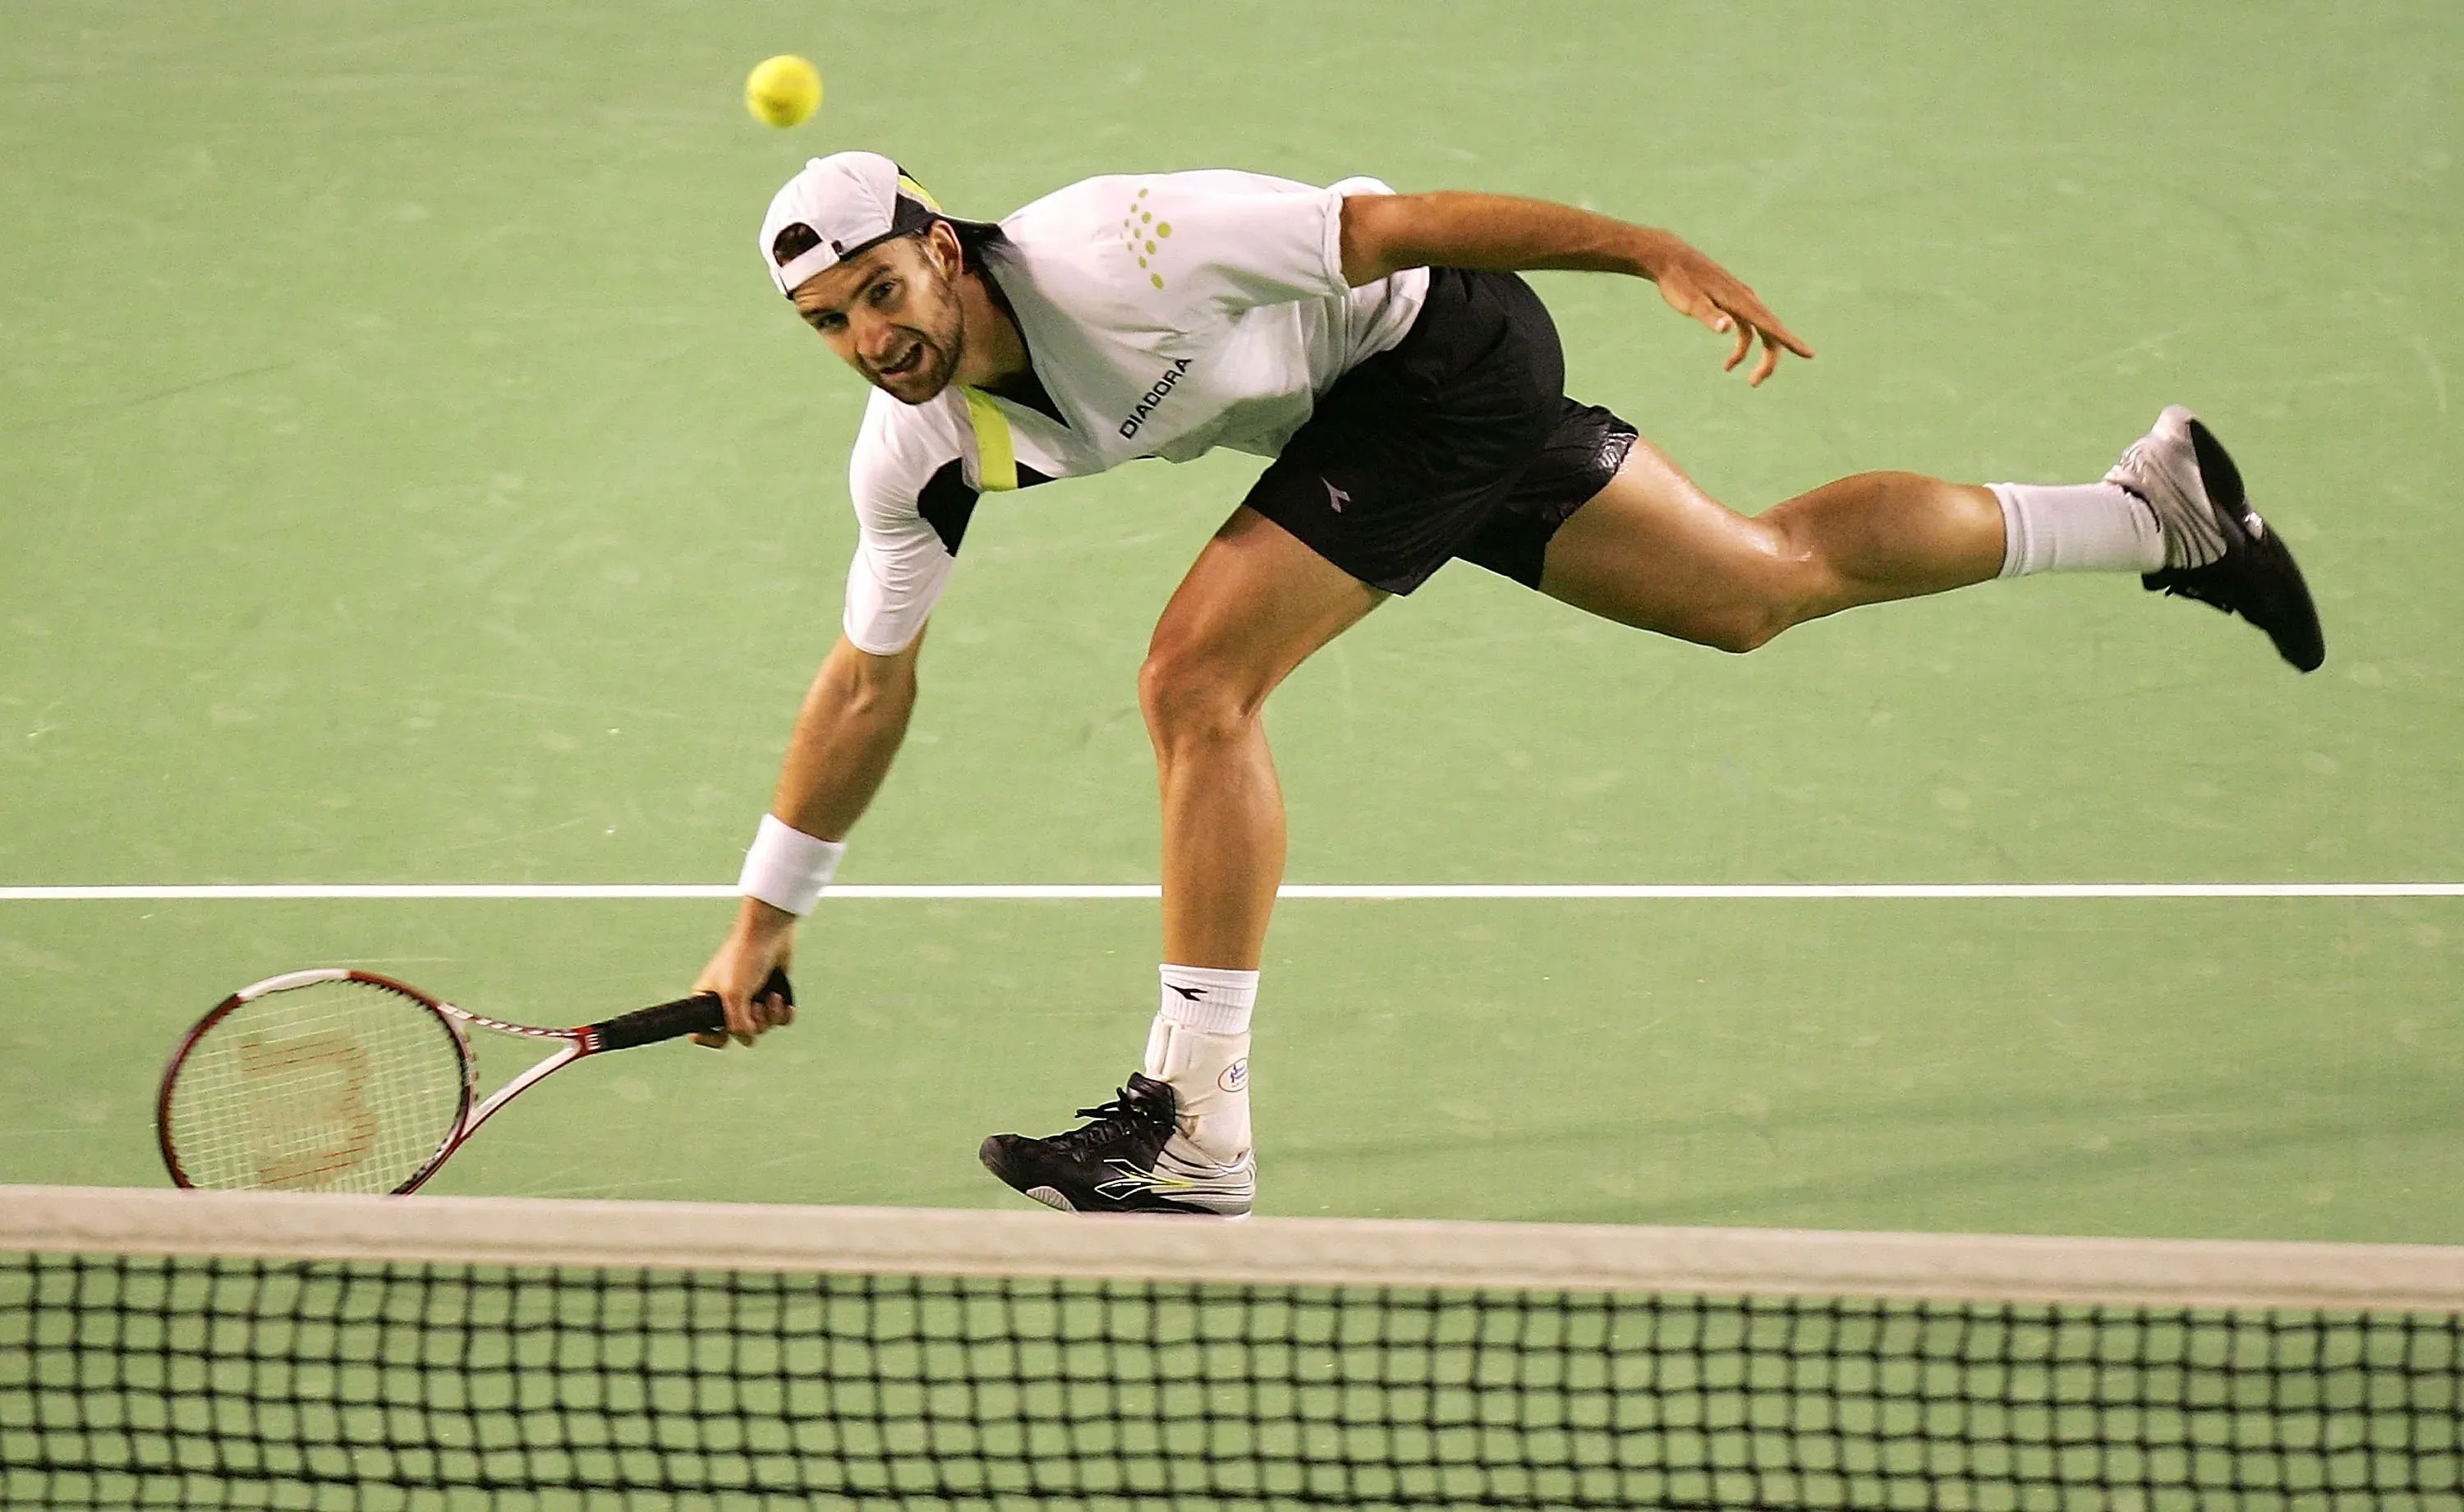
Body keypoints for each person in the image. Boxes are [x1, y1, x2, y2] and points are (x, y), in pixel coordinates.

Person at [690, 151, 2322, 1218]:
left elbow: (1387, 228)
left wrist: (1645, 249)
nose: (871, 338)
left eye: (882, 293)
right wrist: (768, 916)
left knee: (1197, 680)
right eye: (831, 323)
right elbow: (862, 685)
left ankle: (1197, 1113)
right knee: (1756, 588)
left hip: (1440, 355)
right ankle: (2157, 514)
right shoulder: (916, 454)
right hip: (1359, 423)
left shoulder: (1122, 247)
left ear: (939, 241)